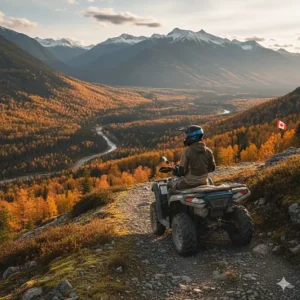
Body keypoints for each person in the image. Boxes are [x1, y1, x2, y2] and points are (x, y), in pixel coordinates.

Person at [171, 125, 216, 191]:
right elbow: (212, 168)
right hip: (204, 182)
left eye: (187, 136)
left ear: (192, 137)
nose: (185, 138)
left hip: (189, 183)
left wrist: (176, 170)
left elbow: (181, 172)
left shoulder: (187, 151)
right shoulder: (208, 151)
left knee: (171, 189)